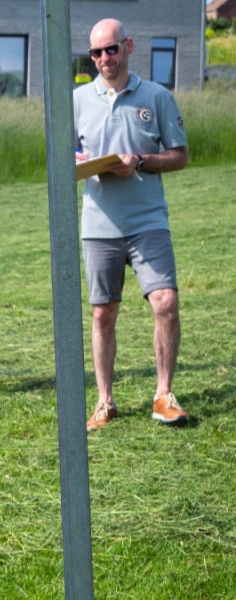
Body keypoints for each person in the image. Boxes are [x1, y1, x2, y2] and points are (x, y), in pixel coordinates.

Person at [74, 18, 189, 431]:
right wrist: (86, 165)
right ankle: (105, 401)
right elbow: (66, 157)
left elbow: (180, 155)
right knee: (103, 314)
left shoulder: (156, 96)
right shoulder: (77, 100)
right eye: (96, 52)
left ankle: (164, 394)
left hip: (147, 221)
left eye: (111, 49)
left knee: (166, 303)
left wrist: (138, 161)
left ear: (129, 47)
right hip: (99, 225)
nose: (104, 58)